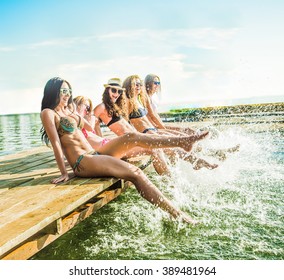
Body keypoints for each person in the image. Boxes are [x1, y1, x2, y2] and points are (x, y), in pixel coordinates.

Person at [40, 77, 209, 224]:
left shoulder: (68, 110)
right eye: (63, 90)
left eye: (69, 90)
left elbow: (89, 127)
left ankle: (182, 142)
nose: (67, 93)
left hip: (95, 154)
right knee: (135, 173)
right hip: (82, 162)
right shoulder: (48, 113)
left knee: (132, 137)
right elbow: (56, 142)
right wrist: (64, 172)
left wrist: (80, 113)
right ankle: (178, 215)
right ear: (53, 92)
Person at [122, 75, 219, 170]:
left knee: (178, 142)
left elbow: (151, 115)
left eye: (140, 84)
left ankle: (191, 163)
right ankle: (197, 161)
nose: (139, 86)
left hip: (153, 130)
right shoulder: (128, 101)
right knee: (174, 147)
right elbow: (124, 121)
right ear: (128, 85)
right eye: (135, 84)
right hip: (145, 133)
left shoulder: (139, 99)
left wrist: (162, 130)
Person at [144, 73, 240, 160]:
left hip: (157, 126)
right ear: (148, 83)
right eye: (155, 82)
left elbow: (155, 116)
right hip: (153, 128)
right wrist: (164, 129)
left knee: (189, 130)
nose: (157, 85)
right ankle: (215, 153)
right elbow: (151, 117)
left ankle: (212, 150)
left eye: (158, 82)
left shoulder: (152, 98)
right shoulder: (145, 98)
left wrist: (164, 127)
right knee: (185, 136)